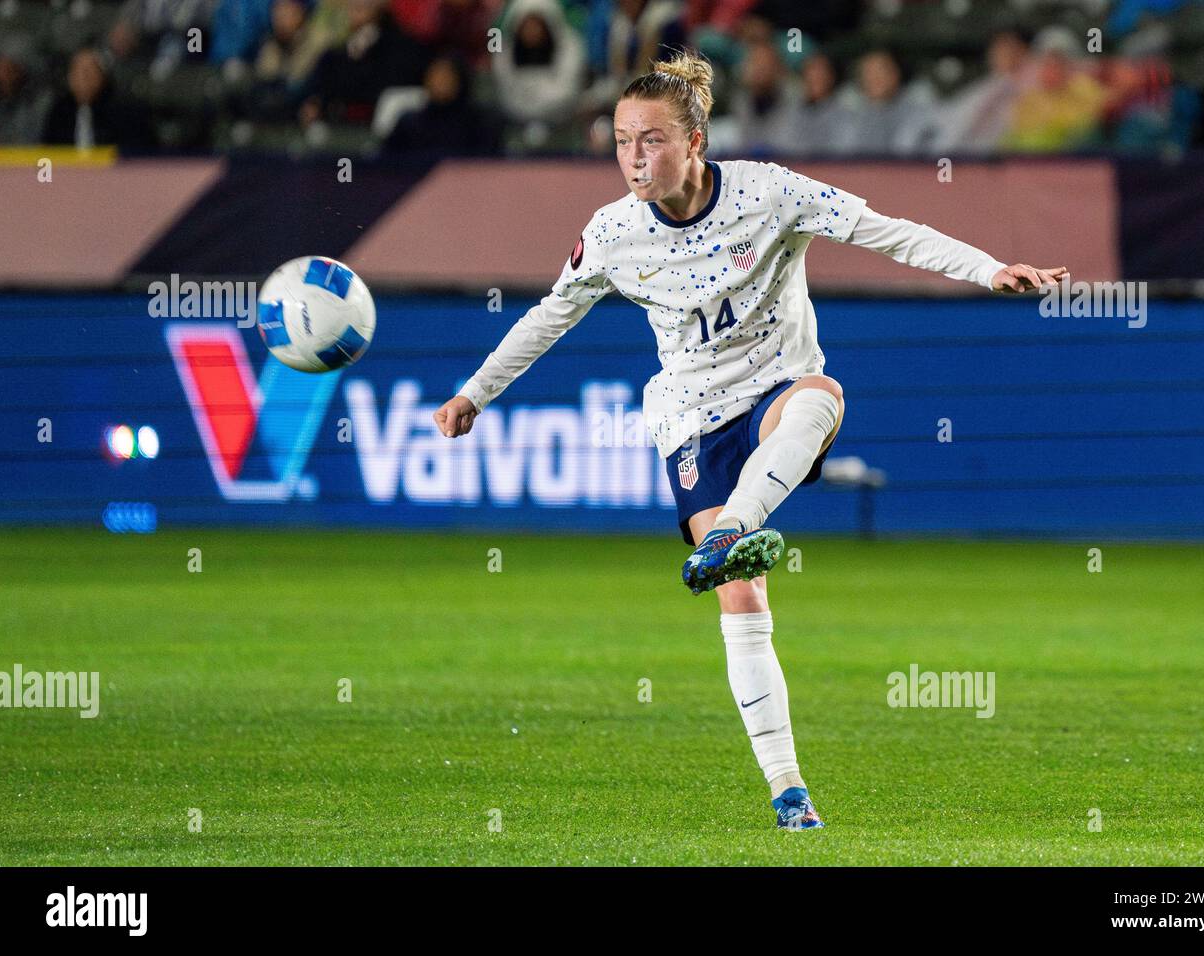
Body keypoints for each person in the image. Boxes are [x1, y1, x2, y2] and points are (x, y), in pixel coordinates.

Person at [432, 50, 1065, 830]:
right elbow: (548, 317)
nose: (635, 157)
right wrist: (473, 393)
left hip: (775, 391)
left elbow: (884, 231)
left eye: (653, 139)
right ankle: (788, 791)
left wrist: (990, 267)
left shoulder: (769, 192)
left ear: (695, 141)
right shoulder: (612, 235)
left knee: (822, 397)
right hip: (693, 418)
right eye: (624, 140)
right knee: (741, 595)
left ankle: (735, 525)